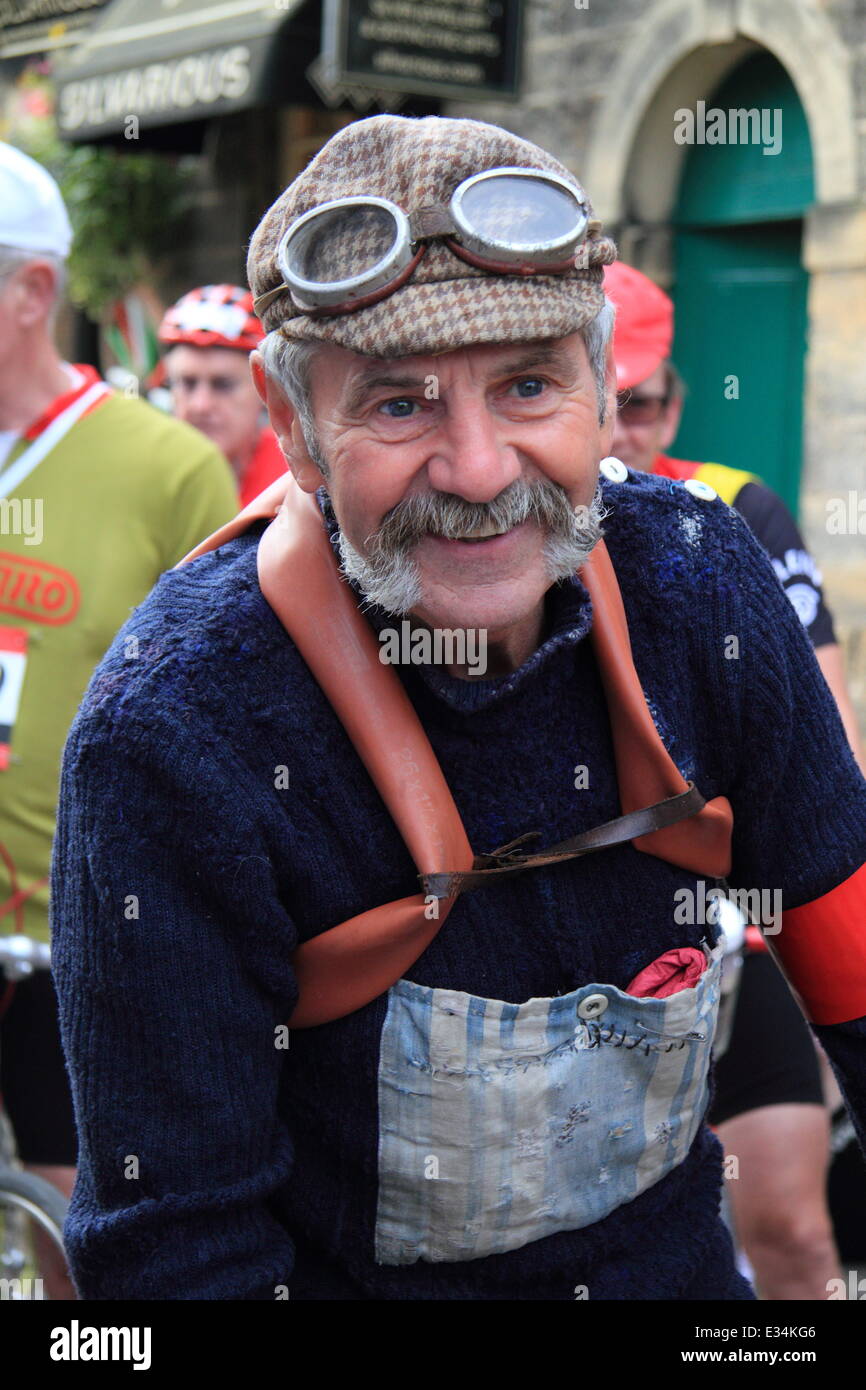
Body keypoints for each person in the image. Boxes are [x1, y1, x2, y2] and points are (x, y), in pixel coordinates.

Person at [51, 115, 866, 1301]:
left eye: (529, 383)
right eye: (398, 406)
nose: (479, 469)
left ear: (602, 391)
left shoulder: (700, 583)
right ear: (297, 433)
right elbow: (175, 1251)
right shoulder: (176, 733)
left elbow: (845, 948)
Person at [0, 141, 238, 1298]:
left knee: (81, 1242)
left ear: (31, 290)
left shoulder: (166, 467)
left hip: (81, 929)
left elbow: (224, 717)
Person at [158, 284, 287, 506]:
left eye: (223, 385)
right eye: (187, 384)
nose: (201, 405)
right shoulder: (146, 473)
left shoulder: (297, 480)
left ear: (265, 388)